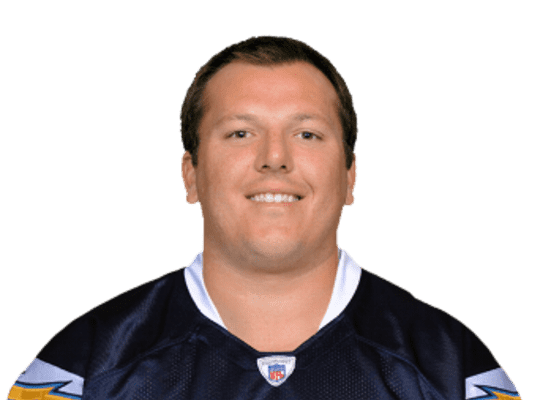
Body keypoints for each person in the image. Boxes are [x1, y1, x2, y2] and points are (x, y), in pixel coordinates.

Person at [6, 35, 521, 400]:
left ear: (350, 177)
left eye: (307, 134)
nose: (275, 158)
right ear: (190, 174)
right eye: (240, 133)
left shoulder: (452, 367)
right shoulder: (82, 366)